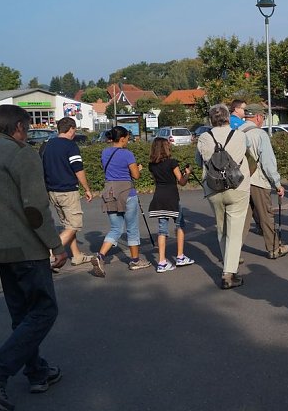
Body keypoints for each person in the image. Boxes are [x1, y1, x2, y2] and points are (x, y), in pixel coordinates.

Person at [0, 105, 65, 411]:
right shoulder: (22, 154)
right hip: (27, 249)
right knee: (44, 311)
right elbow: (35, 209)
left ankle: (37, 372)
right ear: (18, 126)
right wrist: (56, 246)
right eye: (28, 128)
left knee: (21, 316)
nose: (28, 133)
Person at [197, 103, 251, 289]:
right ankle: (229, 272)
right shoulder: (240, 136)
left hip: (213, 188)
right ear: (228, 117)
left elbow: (199, 162)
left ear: (211, 119)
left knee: (222, 229)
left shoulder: (204, 137)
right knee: (235, 231)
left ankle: (227, 264)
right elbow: (248, 155)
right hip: (238, 186)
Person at [90, 126, 151, 277]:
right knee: (132, 228)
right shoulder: (127, 154)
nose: (128, 141)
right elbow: (135, 175)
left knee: (116, 228)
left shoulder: (105, 152)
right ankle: (135, 260)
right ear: (122, 138)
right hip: (126, 193)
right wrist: (138, 168)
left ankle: (100, 256)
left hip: (109, 192)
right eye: (127, 138)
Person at [41, 116, 94, 267]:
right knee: (74, 225)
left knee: (67, 224)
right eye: (74, 130)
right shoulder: (70, 146)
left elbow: (41, 168)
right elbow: (78, 169)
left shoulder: (46, 145)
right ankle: (51, 254)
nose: (74, 134)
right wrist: (87, 189)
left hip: (52, 191)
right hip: (68, 190)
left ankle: (76, 255)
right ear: (71, 129)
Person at [241, 104, 288, 259]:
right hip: (258, 181)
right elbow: (268, 163)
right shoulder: (260, 135)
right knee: (266, 216)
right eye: (263, 117)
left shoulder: (236, 132)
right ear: (257, 117)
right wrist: (277, 183)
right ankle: (274, 248)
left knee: (242, 219)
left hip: (240, 182)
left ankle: (232, 252)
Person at [147, 138, 195, 272]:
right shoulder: (172, 163)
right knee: (180, 224)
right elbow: (181, 181)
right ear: (165, 147)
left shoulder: (151, 165)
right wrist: (187, 173)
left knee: (162, 229)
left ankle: (161, 262)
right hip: (172, 198)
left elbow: (157, 179)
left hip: (158, 198)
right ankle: (180, 256)